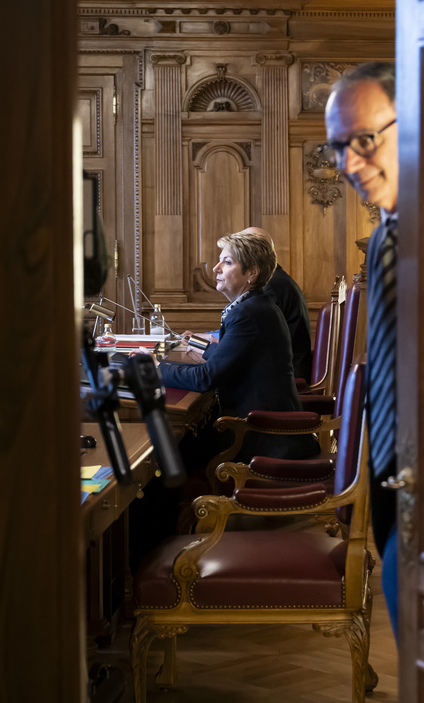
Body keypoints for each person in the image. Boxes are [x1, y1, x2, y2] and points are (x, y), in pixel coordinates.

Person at [129, 231, 317, 563]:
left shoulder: (250, 312)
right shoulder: (252, 306)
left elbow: (205, 378)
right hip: (253, 425)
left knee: (157, 462)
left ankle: (150, 561)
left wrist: (153, 366)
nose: (216, 267)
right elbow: (221, 364)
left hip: (260, 436)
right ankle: (156, 554)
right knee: (165, 450)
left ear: (251, 273)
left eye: (227, 262)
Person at [325, 61, 401, 639]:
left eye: (365, 140)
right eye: (337, 148)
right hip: (398, 505)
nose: (349, 164)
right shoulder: (381, 240)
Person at [242, 226, 313, 384]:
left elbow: (251, 343)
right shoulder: (275, 279)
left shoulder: (271, 286)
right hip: (283, 371)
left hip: (284, 379)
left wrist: (204, 344)